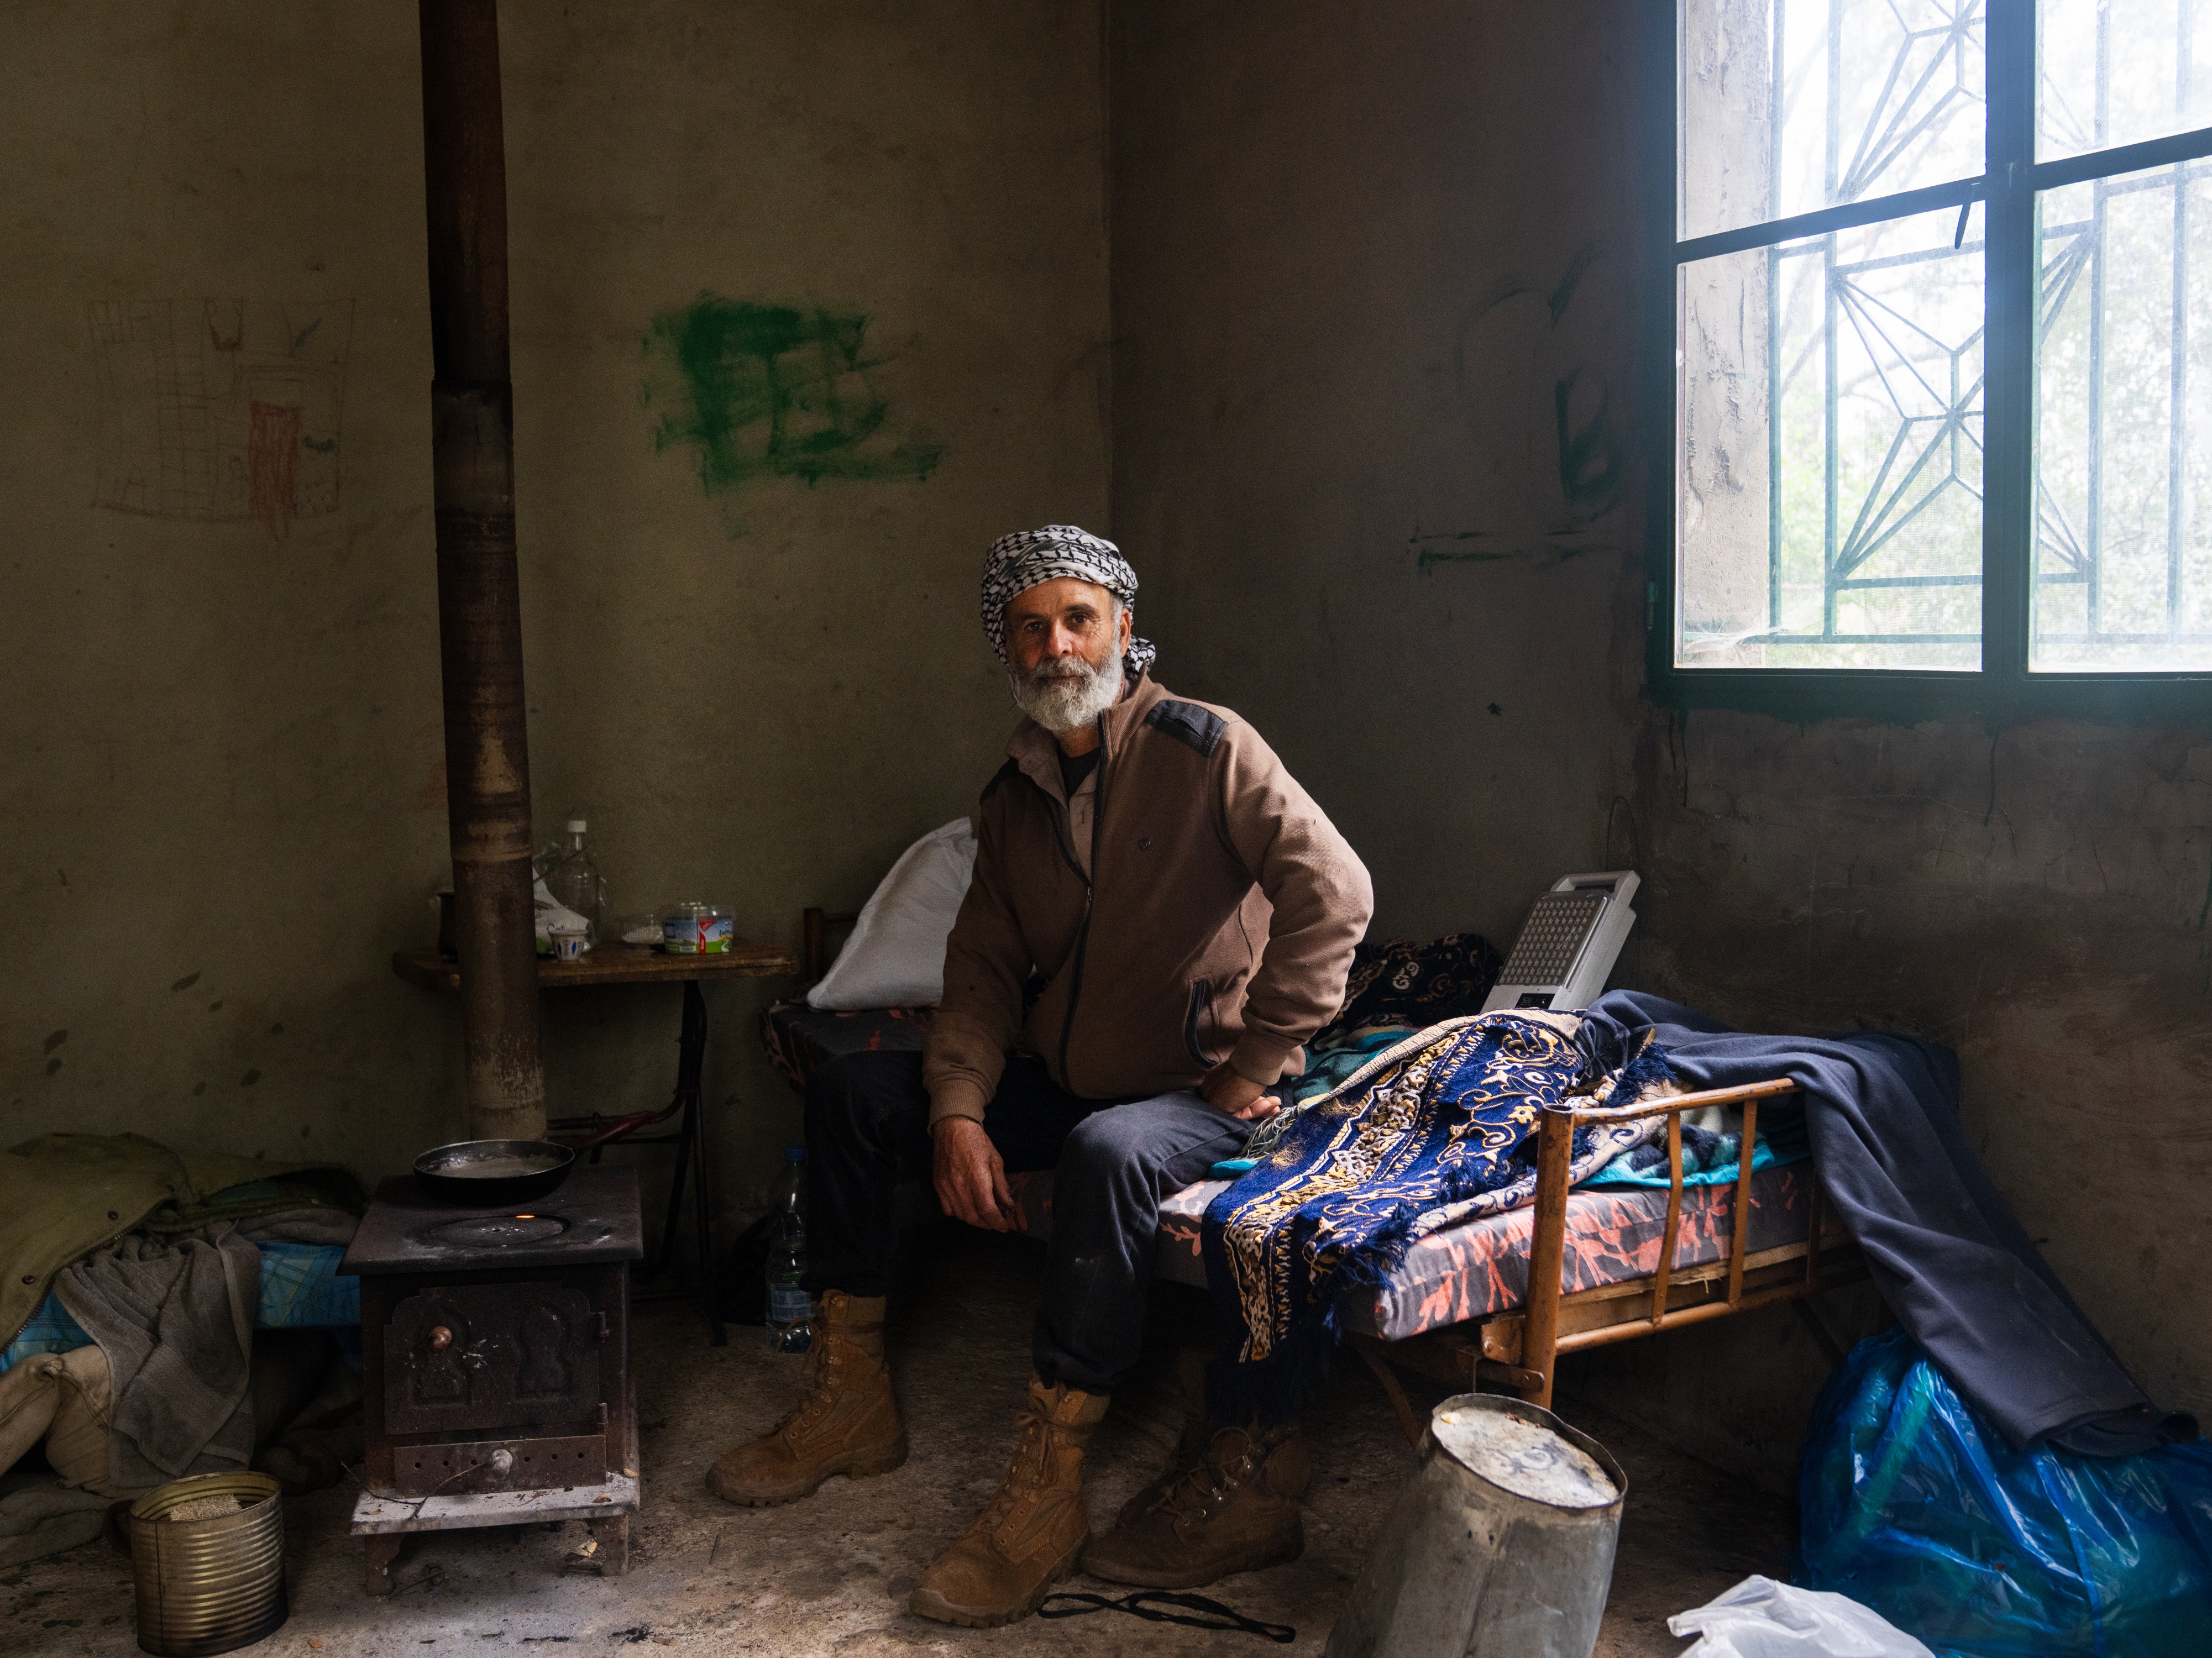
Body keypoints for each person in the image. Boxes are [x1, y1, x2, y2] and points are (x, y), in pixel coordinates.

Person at [709, 525, 1373, 1628]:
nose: (1056, 645)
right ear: (1005, 650)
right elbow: (976, 970)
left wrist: (1252, 1062)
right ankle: (849, 1404)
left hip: (1197, 1091)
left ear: (1122, 625)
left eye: (1077, 618)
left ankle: (1049, 1487)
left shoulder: (1210, 749)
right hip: (1066, 1071)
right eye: (1030, 626)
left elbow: (1336, 896)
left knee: (1105, 1152)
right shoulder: (1012, 796)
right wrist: (959, 1108)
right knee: (856, 1090)